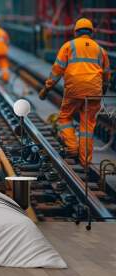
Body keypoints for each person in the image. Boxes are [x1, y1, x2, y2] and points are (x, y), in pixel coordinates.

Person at [38, 18, 111, 166]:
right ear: (91, 32)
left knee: (65, 117)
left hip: (74, 90)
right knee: (87, 127)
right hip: (94, 92)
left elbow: (57, 71)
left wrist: (47, 88)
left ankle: (72, 148)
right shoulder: (100, 50)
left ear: (76, 31)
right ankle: (85, 161)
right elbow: (106, 74)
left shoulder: (68, 46)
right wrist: (102, 89)